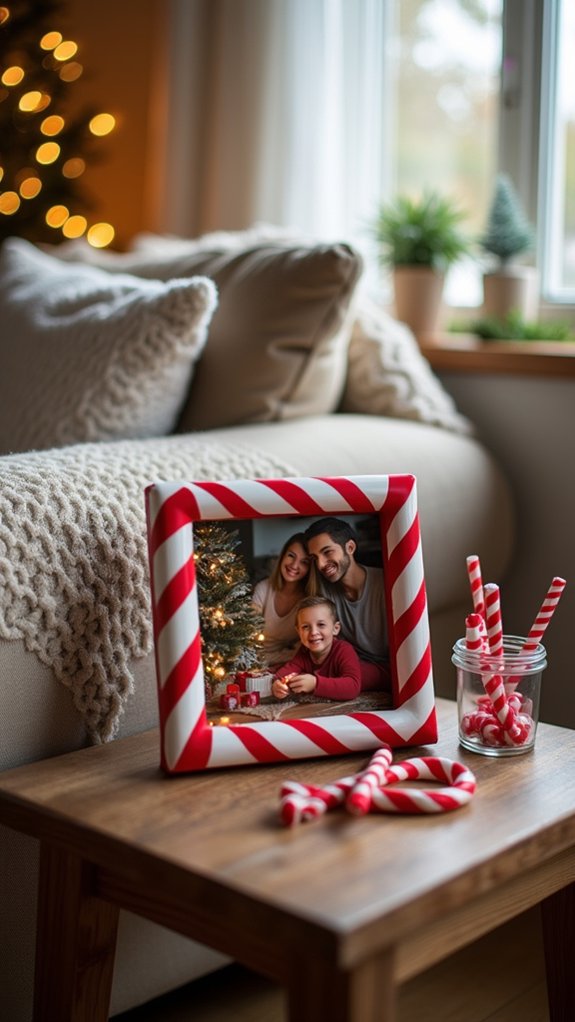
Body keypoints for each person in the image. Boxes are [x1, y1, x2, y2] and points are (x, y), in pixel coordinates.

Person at [303, 516, 390, 691]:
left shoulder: (385, 584)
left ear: (350, 547)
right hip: (348, 662)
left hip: (385, 668)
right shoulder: (324, 592)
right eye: (315, 558)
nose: (321, 564)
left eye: (327, 552)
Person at [271, 596, 363, 701]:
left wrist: (315, 683)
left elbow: (353, 687)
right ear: (298, 631)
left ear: (335, 629)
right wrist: (277, 685)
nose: (313, 632)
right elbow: (285, 672)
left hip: (377, 674)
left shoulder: (343, 649)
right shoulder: (304, 652)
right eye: (306, 627)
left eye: (321, 624)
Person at [252, 532, 317, 668]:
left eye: (304, 562)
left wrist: (276, 660)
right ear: (282, 556)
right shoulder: (263, 589)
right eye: (291, 556)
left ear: (310, 568)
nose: (294, 565)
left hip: (285, 664)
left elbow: (302, 650)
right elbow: (247, 636)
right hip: (250, 659)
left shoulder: (308, 600)